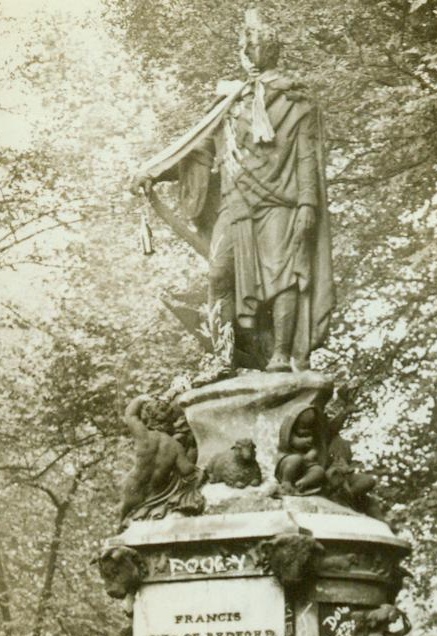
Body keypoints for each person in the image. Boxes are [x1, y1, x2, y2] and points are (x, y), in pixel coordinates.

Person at [134, 8, 334, 372]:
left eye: (259, 45)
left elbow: (307, 158)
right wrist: (154, 173)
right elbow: (196, 150)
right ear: (241, 54)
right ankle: (223, 358)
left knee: (283, 275)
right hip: (238, 200)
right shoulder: (231, 102)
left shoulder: (298, 101)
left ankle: (281, 355)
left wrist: (307, 203)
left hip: (283, 201)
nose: (253, 52)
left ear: (273, 50)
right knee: (218, 273)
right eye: (247, 46)